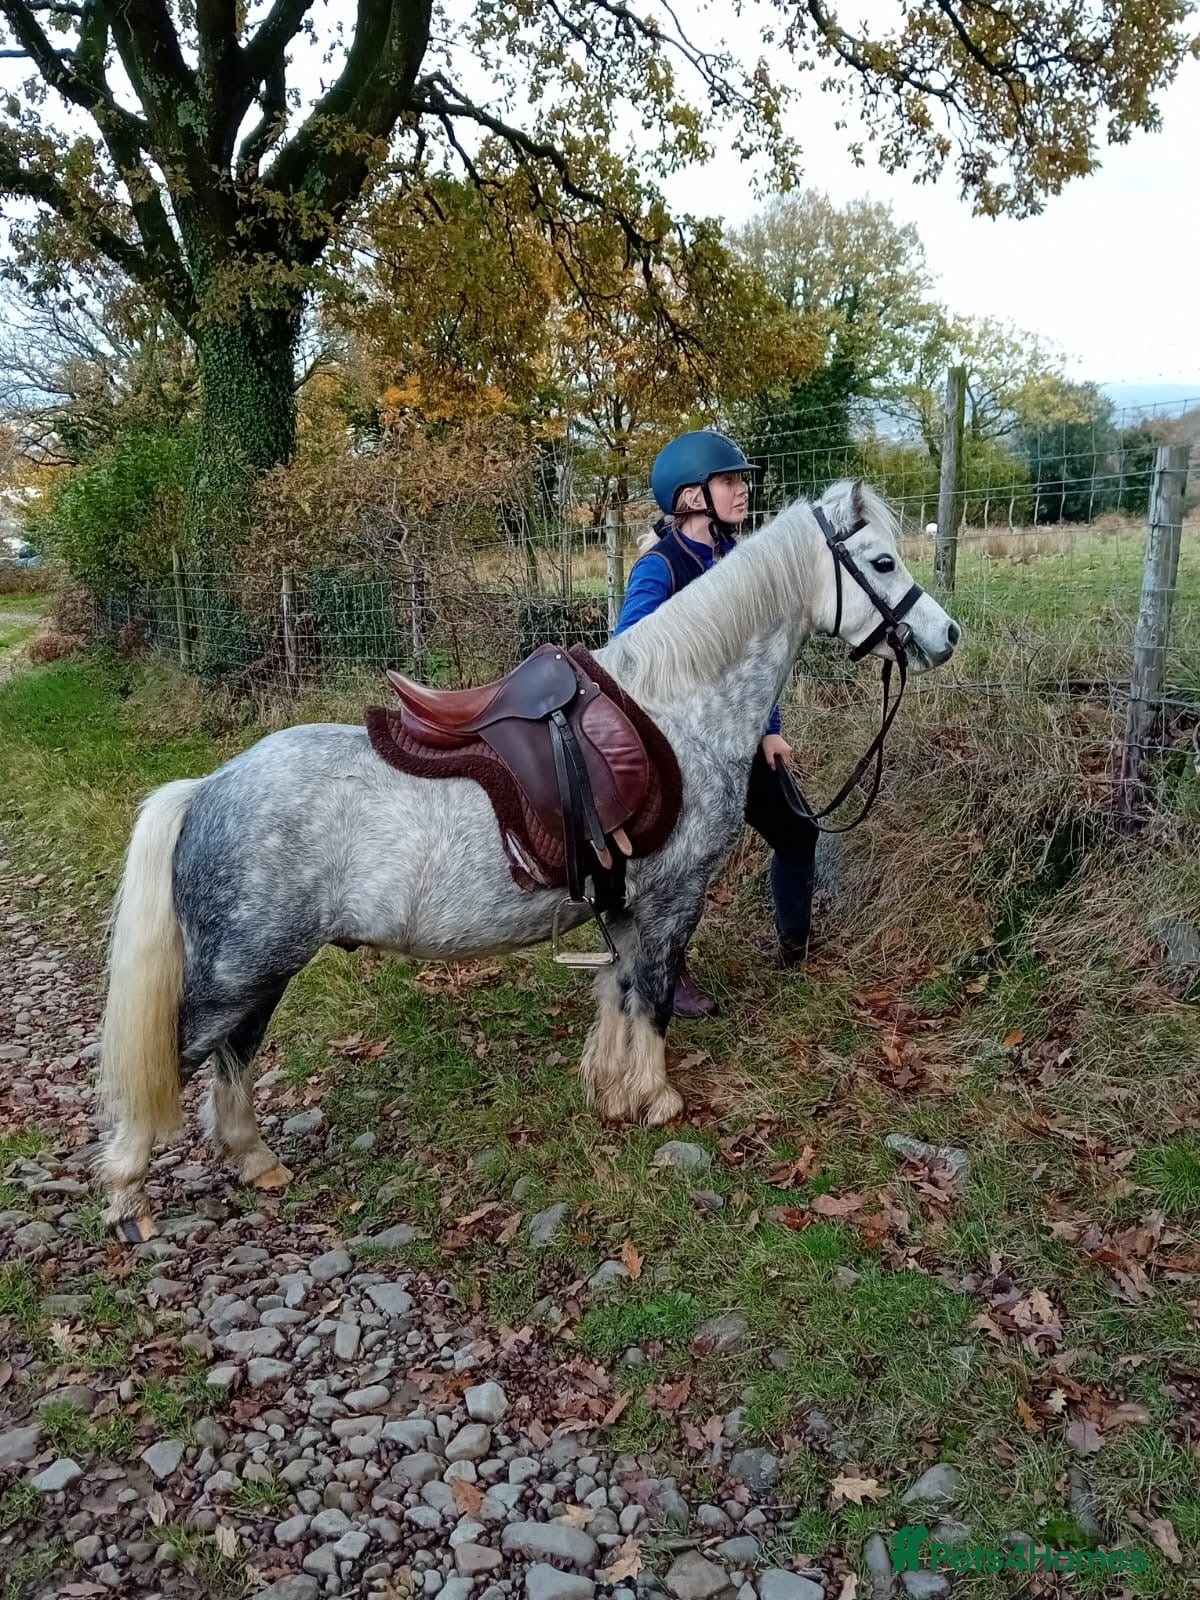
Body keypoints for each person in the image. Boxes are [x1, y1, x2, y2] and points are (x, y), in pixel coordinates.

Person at [612, 429, 821, 1020]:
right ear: (691, 495)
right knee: (679, 863)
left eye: (741, 480)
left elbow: (761, 660)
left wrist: (770, 724)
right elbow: (631, 650)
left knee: (797, 830)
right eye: (729, 480)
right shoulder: (659, 566)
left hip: (743, 736)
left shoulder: (738, 557)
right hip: (677, 749)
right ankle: (666, 969)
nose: (742, 490)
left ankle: (796, 946)